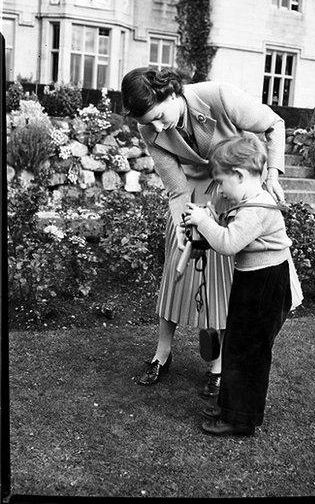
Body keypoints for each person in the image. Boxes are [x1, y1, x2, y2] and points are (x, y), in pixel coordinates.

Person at [121, 67, 287, 396]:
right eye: (147, 122)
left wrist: (272, 174)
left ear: (171, 93)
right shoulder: (149, 127)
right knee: (176, 275)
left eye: (158, 116)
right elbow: (176, 189)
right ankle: (161, 355)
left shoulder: (219, 95)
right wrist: (182, 226)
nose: (155, 127)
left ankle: (217, 366)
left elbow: (273, 123)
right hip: (191, 200)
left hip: (231, 195)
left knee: (222, 282)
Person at [183, 135, 303, 436]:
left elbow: (229, 242)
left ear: (239, 175)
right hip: (254, 280)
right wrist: (209, 224)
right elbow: (228, 235)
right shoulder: (249, 203)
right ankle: (230, 406)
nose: (220, 189)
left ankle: (241, 418)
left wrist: (203, 221)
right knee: (236, 345)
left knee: (249, 351)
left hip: (266, 284)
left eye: (222, 182)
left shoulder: (258, 208)